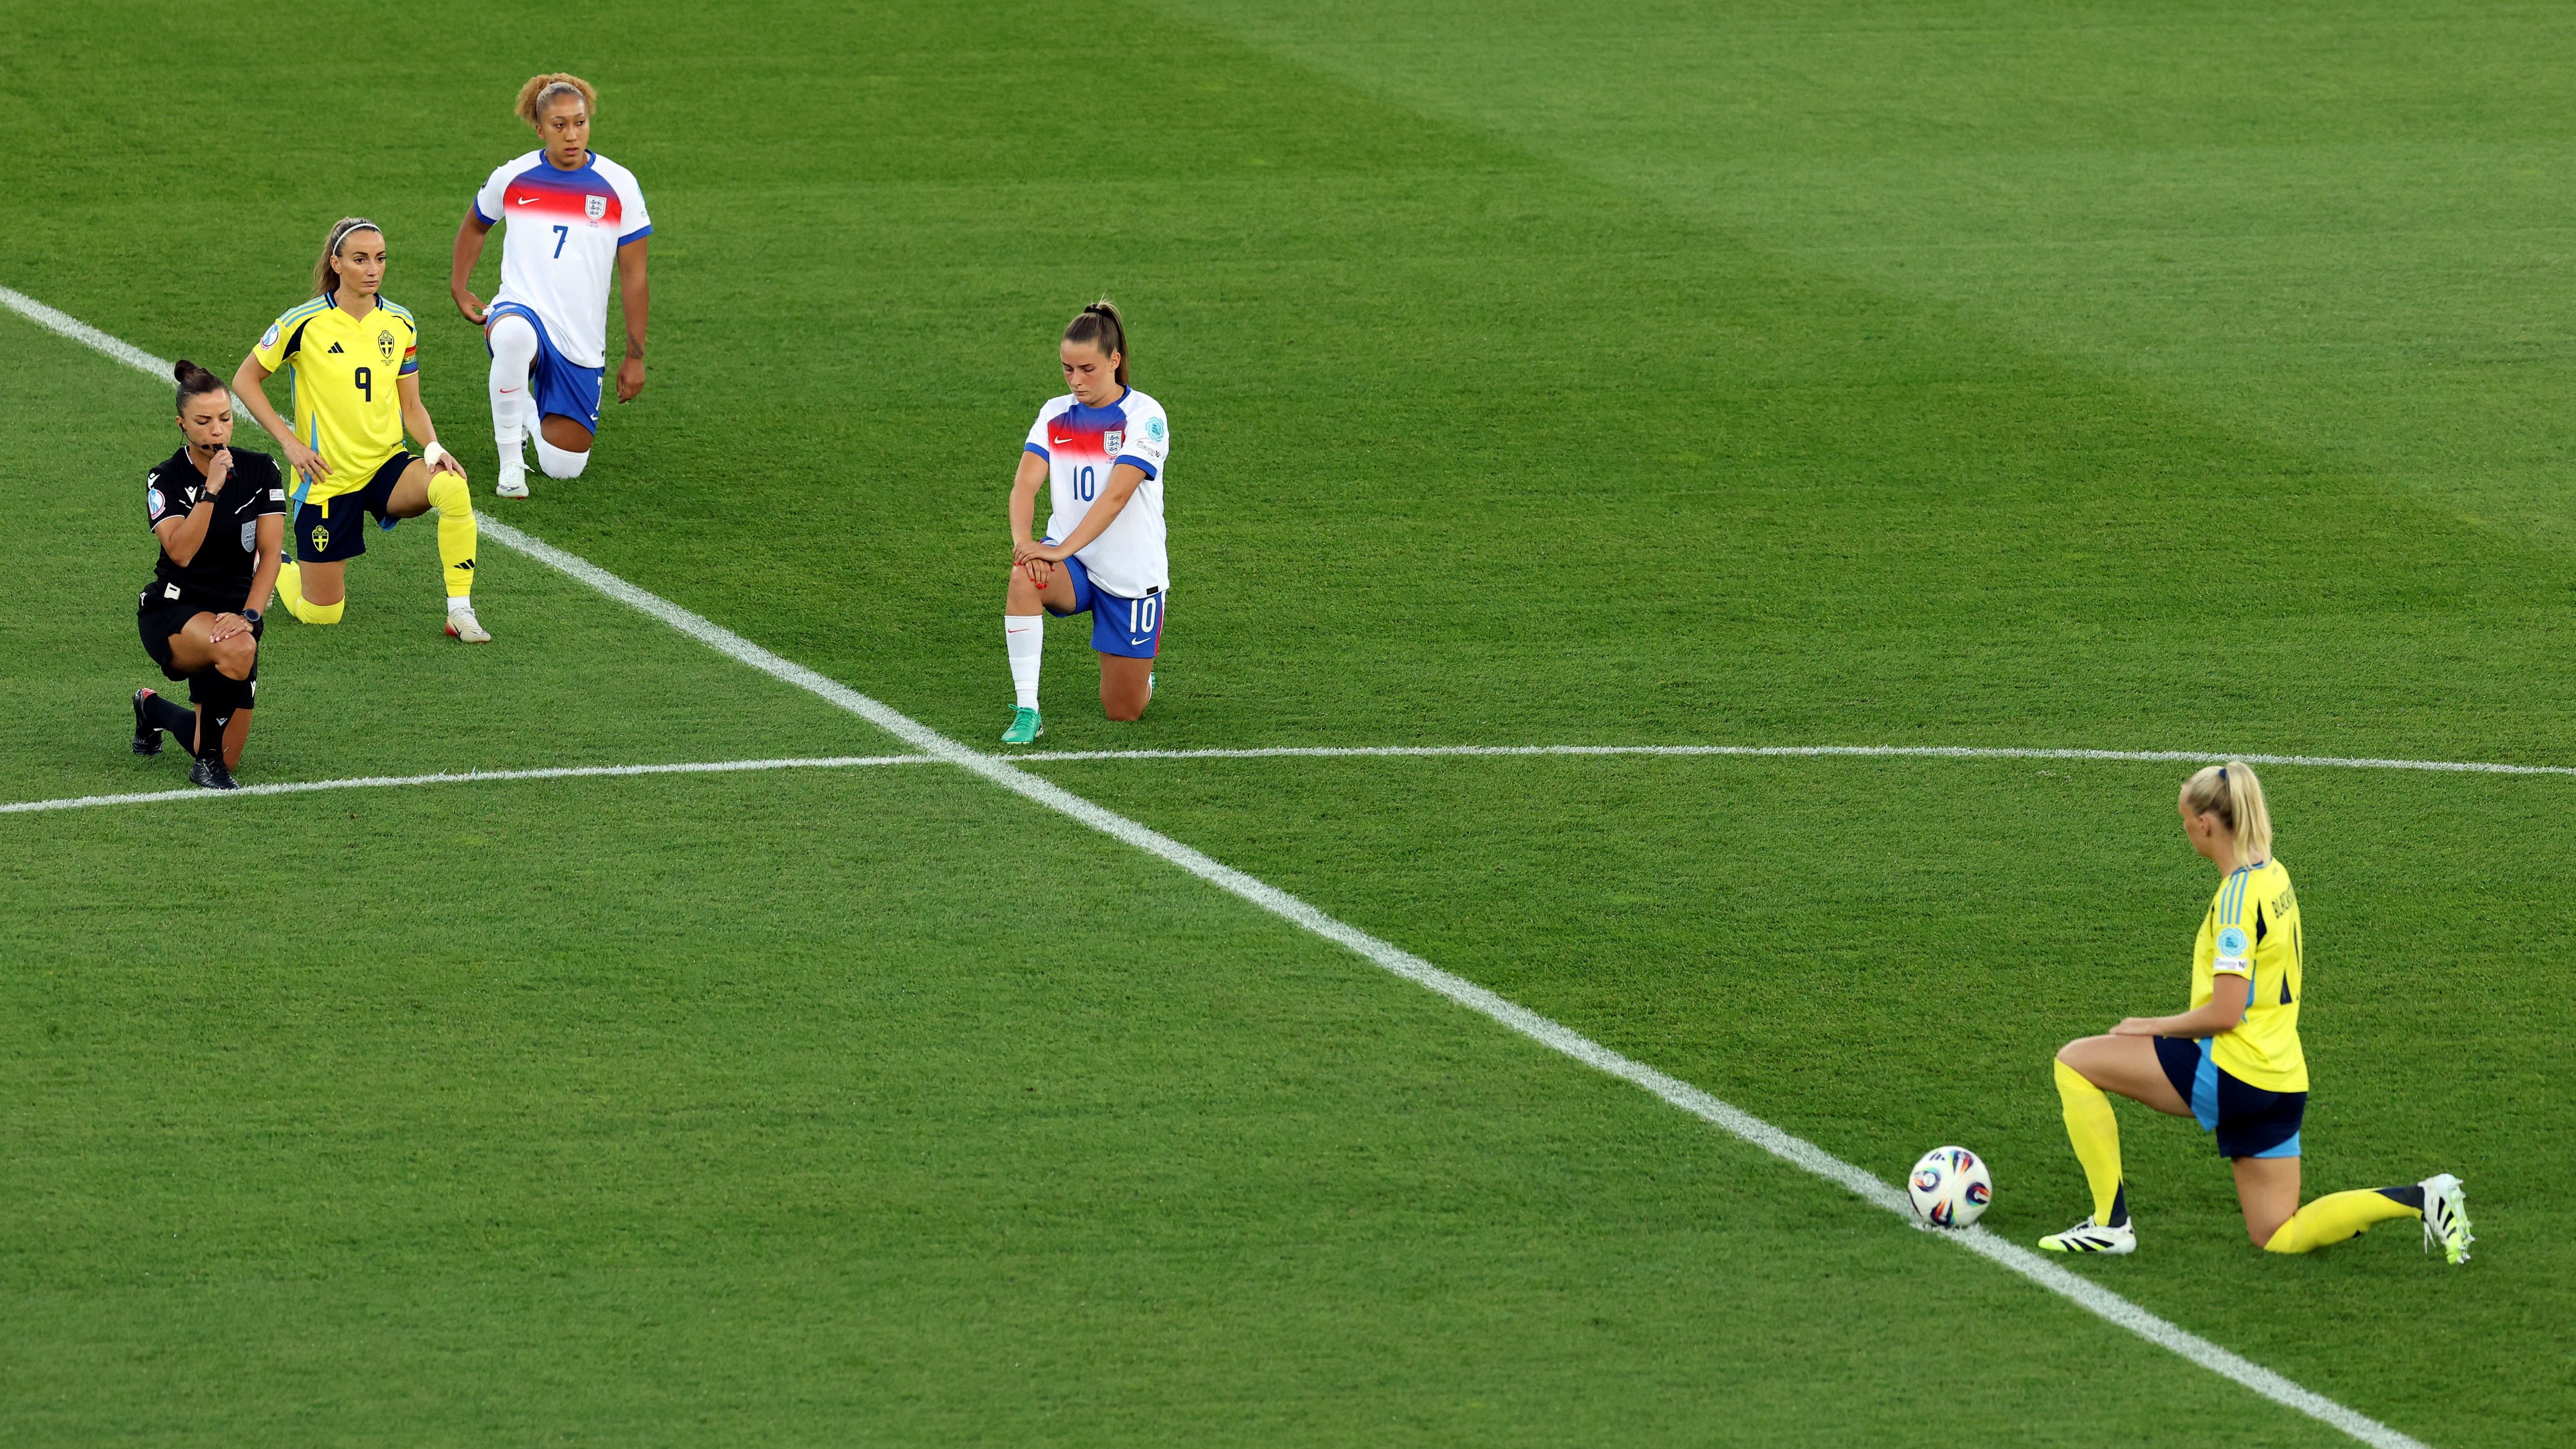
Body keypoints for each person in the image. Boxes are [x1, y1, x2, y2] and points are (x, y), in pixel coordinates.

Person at [2040, 761, 2472, 1263]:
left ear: (2205, 823)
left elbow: (2225, 1012)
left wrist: (2149, 1027)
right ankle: (2422, 1197)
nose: (2184, 831)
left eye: (2184, 820)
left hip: (2233, 1073)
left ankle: (2108, 1225)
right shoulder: (2275, 874)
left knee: (2074, 1062)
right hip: (2282, 1080)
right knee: (2276, 1232)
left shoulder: (2234, 904)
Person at [232, 218, 488, 642]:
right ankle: (273, 563)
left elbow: (411, 404)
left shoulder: (400, 323)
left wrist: (433, 448)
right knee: (322, 615)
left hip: (386, 465)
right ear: (336, 263)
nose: (373, 269)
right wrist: (290, 443)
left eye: (380, 259)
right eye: (360, 259)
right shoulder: (303, 322)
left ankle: (460, 610)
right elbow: (245, 379)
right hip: (327, 479)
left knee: (452, 485)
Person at [448, 72, 652, 498]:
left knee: (564, 467)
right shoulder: (513, 177)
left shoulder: (620, 186)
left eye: (580, 122)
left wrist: (635, 357)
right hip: (521, 310)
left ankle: (525, 408)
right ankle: (510, 467)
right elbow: (475, 225)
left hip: (580, 337)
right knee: (513, 338)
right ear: (540, 129)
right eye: (559, 125)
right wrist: (460, 285)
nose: (572, 134)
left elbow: (635, 276)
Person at [1000, 301, 1171, 744]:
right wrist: (1027, 545)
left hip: (1130, 575)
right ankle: (1027, 710)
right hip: (1072, 564)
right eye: (1067, 369)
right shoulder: (1054, 414)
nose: (1076, 381)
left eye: (1087, 369)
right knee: (1024, 578)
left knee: (1123, 712)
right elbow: (1024, 486)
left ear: (1114, 362)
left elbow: (1116, 497)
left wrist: (1058, 549)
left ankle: (1141, 679)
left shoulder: (1145, 418)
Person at [131, 361, 285, 790]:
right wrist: (210, 491)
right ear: (182, 425)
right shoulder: (165, 477)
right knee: (238, 649)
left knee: (232, 750)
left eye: (225, 418)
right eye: (203, 421)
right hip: (175, 609)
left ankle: (152, 710)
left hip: (234, 614)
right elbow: (179, 552)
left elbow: (271, 554)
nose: (217, 430)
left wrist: (251, 615)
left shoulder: (261, 471)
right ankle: (206, 766)